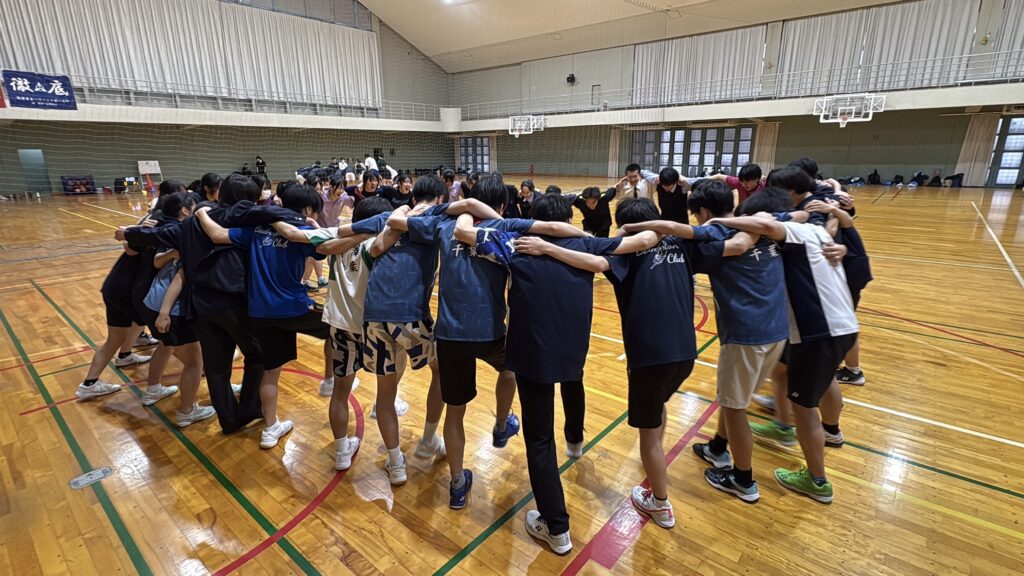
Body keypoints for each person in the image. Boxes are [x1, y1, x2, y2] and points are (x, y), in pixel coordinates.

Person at [458, 193, 660, 554]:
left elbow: (464, 232)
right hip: (571, 349)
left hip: (532, 354)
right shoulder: (587, 244)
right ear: (567, 219)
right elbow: (644, 240)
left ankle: (557, 528)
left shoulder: (516, 244)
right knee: (573, 382)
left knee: (538, 440)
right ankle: (575, 441)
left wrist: (462, 209)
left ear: (535, 220)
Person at [386, 175, 587, 510]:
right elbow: (552, 228)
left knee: (455, 412)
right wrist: (590, 238)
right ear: (503, 205)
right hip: (491, 331)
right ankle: (501, 423)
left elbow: (398, 222)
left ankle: (457, 484)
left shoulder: (445, 225)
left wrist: (440, 209)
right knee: (510, 370)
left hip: (450, 335)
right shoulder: (505, 226)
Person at [521, 197, 708, 528]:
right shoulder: (679, 243)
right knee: (658, 406)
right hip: (687, 352)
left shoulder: (627, 253)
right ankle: (654, 462)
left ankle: (660, 504)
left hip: (650, 356)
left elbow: (595, 263)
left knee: (649, 436)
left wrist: (547, 248)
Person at [619, 181, 786, 503]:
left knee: (734, 407)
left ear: (704, 211)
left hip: (744, 335)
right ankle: (718, 447)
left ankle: (742, 480)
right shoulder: (755, 226)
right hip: (770, 332)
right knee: (731, 399)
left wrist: (623, 234)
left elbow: (735, 245)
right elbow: (743, 241)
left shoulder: (710, 233)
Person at [119, 174, 306, 434]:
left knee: (217, 367)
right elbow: (287, 216)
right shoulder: (248, 217)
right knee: (258, 356)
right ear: (249, 199)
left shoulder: (193, 221)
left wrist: (129, 232)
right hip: (237, 301)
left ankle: (229, 420)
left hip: (201, 303)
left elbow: (160, 234)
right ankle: (250, 409)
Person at [709, 187, 858, 504]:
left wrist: (721, 222)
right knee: (783, 374)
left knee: (803, 406)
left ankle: (817, 480)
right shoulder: (814, 230)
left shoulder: (788, 233)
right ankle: (796, 426)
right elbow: (819, 220)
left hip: (817, 330)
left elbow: (763, 227)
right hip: (834, 325)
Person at [196, 184, 337, 449]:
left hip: (260, 313)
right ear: (308, 209)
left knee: (270, 371)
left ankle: (270, 429)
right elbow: (328, 247)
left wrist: (202, 212)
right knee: (336, 327)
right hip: (293, 307)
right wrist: (313, 225)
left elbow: (216, 234)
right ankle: (329, 381)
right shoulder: (302, 231)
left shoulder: (257, 229)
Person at [273, 196, 398, 469]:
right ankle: (395, 460)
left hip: (341, 326)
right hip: (374, 328)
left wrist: (268, 214)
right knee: (387, 396)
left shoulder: (336, 238)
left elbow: (300, 237)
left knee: (340, 392)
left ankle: (342, 452)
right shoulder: (381, 242)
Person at [349, 176, 455, 484]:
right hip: (410, 314)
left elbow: (347, 233)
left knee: (385, 392)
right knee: (442, 372)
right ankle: (429, 439)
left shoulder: (389, 216)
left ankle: (396, 463)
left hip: (374, 314)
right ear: (440, 199)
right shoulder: (436, 219)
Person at [140, 192, 217, 427]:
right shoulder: (195, 239)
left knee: (165, 346)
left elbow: (159, 263)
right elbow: (179, 279)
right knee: (195, 361)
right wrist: (165, 313)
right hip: (169, 309)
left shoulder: (181, 233)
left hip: (151, 303)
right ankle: (186, 412)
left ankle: (152, 390)